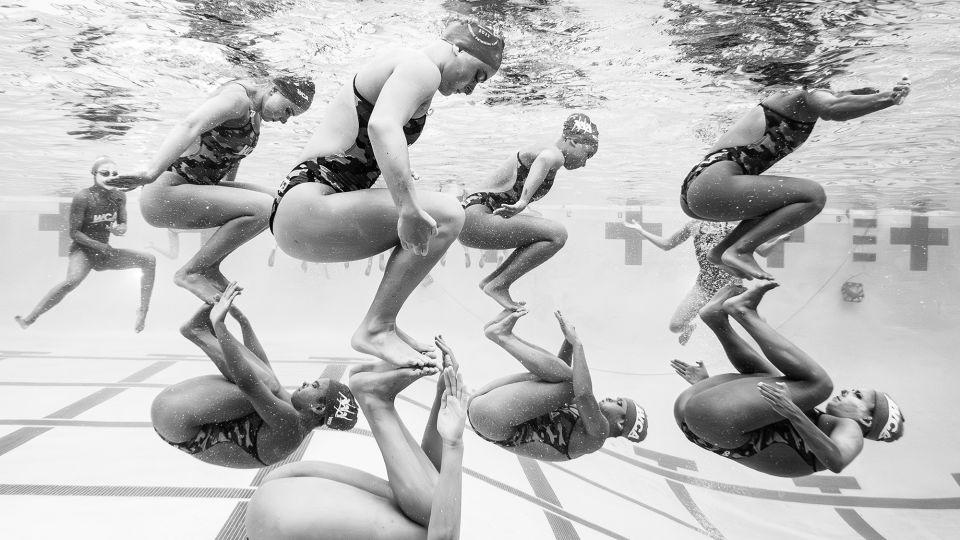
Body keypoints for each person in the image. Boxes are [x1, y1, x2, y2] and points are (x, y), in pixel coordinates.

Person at [270, 21, 504, 369]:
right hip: (306, 205)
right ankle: (376, 327)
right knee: (449, 213)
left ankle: (385, 324)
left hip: (302, 215)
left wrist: (404, 182)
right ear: (458, 47)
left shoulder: (409, 69)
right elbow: (382, 126)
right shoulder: (421, 67)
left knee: (434, 214)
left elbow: (366, 143)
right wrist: (407, 206)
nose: (471, 89)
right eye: (478, 74)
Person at [679, 77, 911, 280]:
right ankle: (740, 249)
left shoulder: (796, 100)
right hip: (713, 184)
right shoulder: (805, 92)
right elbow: (834, 108)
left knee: (778, 206)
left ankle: (722, 251)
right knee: (813, 196)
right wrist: (888, 98)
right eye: (856, 95)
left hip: (702, 188)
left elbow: (840, 103)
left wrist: (870, 97)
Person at [109, 76, 316, 303]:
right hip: (164, 194)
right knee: (265, 207)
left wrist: (229, 208)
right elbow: (190, 125)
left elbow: (231, 156)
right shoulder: (238, 99)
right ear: (274, 89)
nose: (285, 120)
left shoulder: (254, 113)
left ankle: (209, 267)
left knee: (277, 201)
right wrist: (150, 173)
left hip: (191, 189)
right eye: (288, 110)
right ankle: (190, 272)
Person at [672, 283, 905, 477]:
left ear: (866, 419)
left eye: (858, 396)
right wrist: (706, 384)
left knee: (820, 385)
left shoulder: (851, 429)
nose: (849, 391)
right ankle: (718, 320)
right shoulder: (815, 420)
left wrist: (792, 411)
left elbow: (837, 462)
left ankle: (742, 312)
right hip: (696, 420)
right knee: (778, 382)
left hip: (711, 421)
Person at [245, 338, 469, 539]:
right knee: (433, 508)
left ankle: (377, 403)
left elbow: (443, 535)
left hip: (275, 519)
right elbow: (437, 494)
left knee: (430, 523)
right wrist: (444, 397)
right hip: (275, 504)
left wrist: (453, 444)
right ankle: (377, 401)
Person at [151, 282, 359, 468]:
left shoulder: (291, 427)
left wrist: (220, 325)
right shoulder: (296, 415)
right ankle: (200, 331)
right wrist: (243, 322)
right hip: (175, 418)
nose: (306, 382)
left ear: (319, 408)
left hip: (176, 421)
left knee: (263, 387)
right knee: (270, 385)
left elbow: (248, 384)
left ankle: (200, 332)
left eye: (314, 386)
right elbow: (265, 369)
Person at [458, 114, 598, 310]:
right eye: (588, 155)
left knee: (544, 227)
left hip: (471, 222)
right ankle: (499, 284)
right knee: (558, 234)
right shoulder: (554, 153)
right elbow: (545, 160)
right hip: (476, 220)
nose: (584, 163)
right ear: (573, 141)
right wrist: (523, 201)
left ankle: (493, 282)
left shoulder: (546, 149)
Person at [468, 310, 648, 461]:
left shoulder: (599, 434)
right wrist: (568, 343)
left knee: (573, 384)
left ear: (621, 422)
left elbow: (583, 394)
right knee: (562, 380)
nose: (612, 398)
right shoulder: (584, 416)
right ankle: (503, 334)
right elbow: (553, 375)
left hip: (493, 420)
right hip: (488, 414)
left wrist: (577, 343)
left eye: (618, 403)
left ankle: (503, 336)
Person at [15, 157, 156, 332]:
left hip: (104, 253)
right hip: (83, 252)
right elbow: (74, 233)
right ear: (94, 174)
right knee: (71, 282)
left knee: (149, 260)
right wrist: (99, 245)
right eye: (105, 173)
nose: (110, 177)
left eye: (114, 174)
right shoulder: (83, 197)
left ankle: (143, 311)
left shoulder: (119, 196)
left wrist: (120, 229)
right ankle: (30, 318)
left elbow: (123, 224)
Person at [624, 218, 787, 344]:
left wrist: (779, 240)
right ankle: (690, 327)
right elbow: (667, 244)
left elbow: (763, 251)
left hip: (731, 287)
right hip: (704, 286)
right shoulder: (694, 225)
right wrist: (641, 230)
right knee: (675, 326)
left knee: (756, 324)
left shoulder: (735, 225)